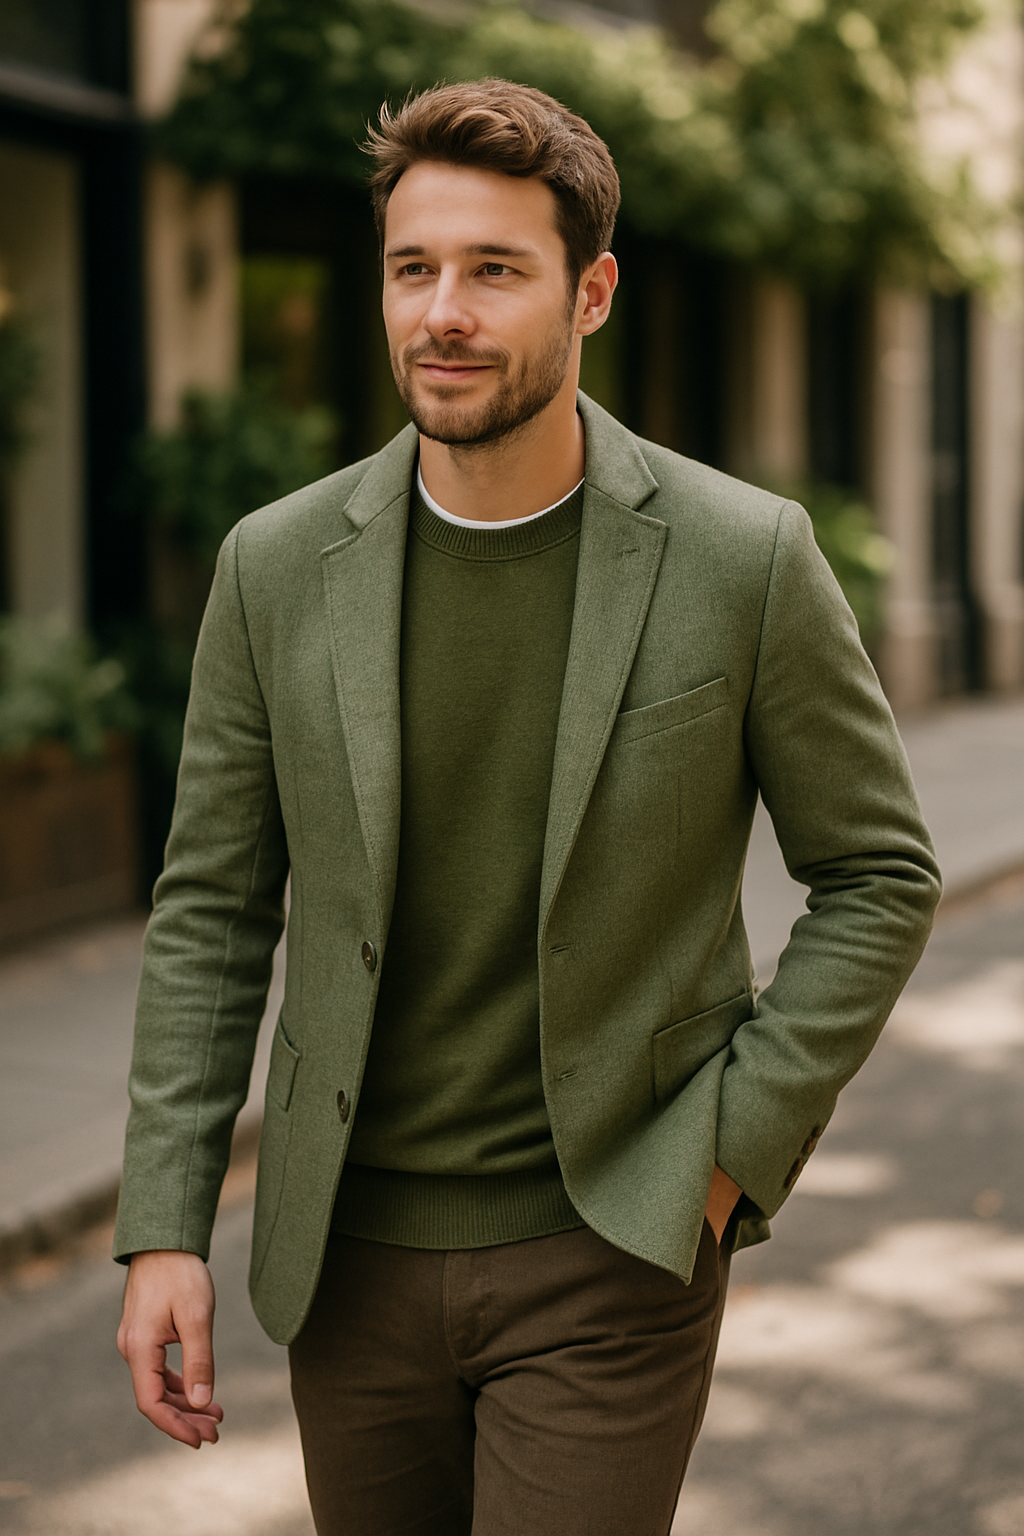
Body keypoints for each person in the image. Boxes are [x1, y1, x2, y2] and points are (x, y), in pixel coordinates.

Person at [115, 78, 940, 1536]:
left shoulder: (742, 558)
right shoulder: (274, 567)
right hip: (348, 1263)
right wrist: (164, 1225)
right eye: (413, 267)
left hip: (613, 1246)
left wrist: (727, 1152)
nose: (444, 311)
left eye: (496, 270)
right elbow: (213, 908)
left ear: (592, 292)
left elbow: (877, 871)